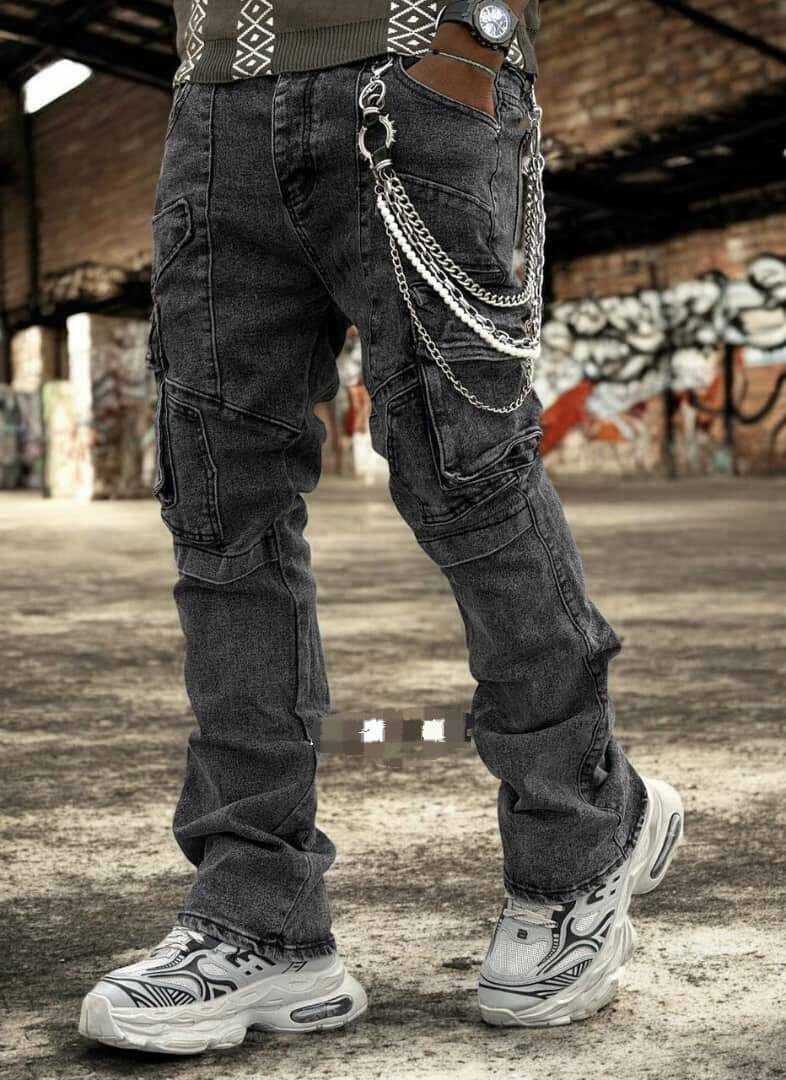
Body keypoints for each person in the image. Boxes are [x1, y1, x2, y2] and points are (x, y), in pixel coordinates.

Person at [79, 0, 684, 1053]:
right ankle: (260, 920)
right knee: (221, 519)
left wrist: (472, 40)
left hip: (412, 71)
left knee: (466, 478)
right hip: (214, 107)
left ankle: (578, 835)